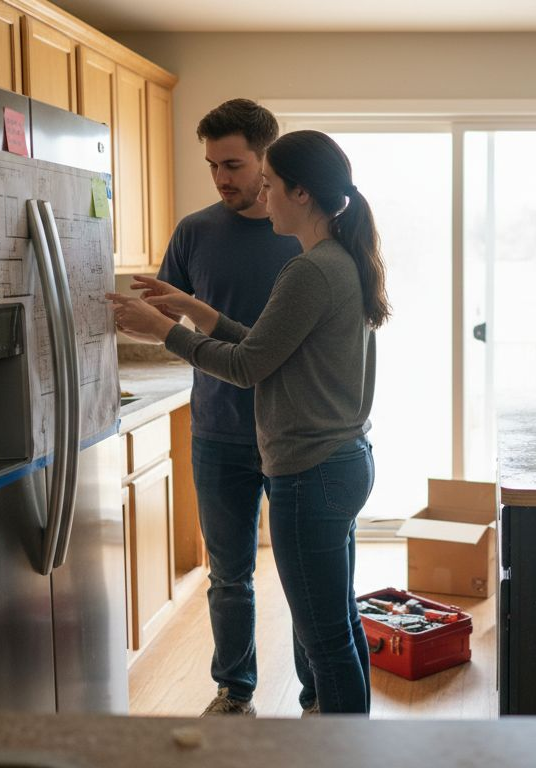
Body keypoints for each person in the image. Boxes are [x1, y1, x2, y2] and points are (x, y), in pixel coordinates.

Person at [109, 129, 388, 715]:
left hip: (310, 471)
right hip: (343, 461)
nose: (264, 198)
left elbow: (245, 366)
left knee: (325, 637)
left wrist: (164, 330)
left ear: (301, 193)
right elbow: (269, 346)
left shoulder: (309, 270)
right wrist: (192, 309)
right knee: (337, 623)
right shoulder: (338, 260)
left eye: (270, 185)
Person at [141, 99, 304, 717]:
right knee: (229, 577)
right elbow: (166, 313)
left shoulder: (305, 235)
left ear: (267, 158)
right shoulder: (195, 231)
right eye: (212, 166)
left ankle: (317, 697)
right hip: (218, 430)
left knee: (306, 582)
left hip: (292, 436)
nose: (221, 179)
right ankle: (234, 693)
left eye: (233, 164)